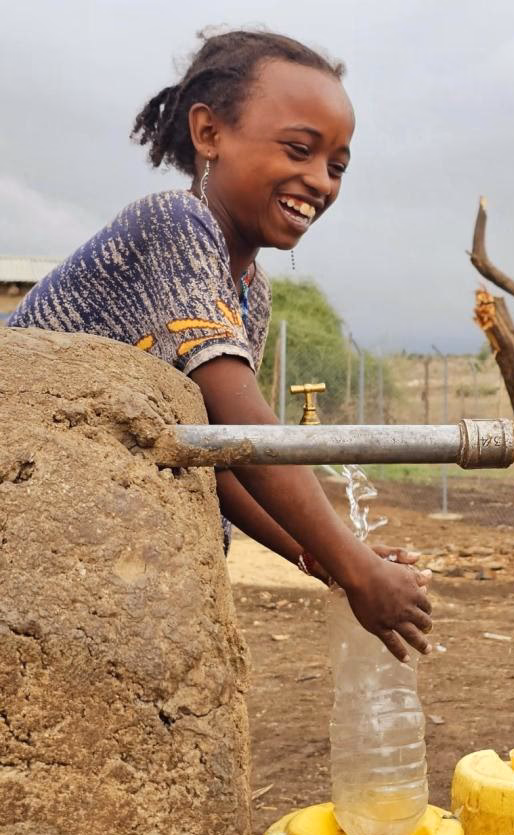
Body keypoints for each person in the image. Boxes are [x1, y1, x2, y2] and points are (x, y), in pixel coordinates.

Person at [6, 29, 433, 662]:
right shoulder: (174, 226)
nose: (320, 181)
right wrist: (359, 568)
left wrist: (332, 562)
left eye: (337, 165)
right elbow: (244, 428)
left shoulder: (249, 292)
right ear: (209, 134)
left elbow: (222, 457)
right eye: (299, 149)